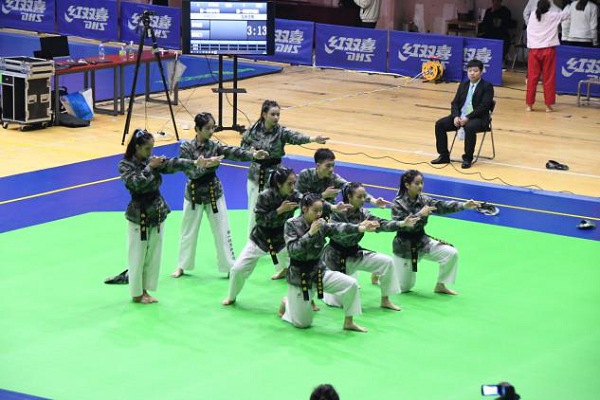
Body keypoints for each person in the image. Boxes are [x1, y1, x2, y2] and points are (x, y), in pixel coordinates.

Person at [171, 112, 269, 279]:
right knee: (188, 232)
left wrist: (253, 155)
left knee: (223, 231)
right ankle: (182, 265)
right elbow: (191, 172)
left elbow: (233, 152)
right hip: (193, 194)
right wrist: (207, 165)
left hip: (214, 193)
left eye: (213, 128)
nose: (211, 131)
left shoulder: (215, 146)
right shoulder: (186, 148)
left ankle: (229, 266)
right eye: (207, 128)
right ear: (197, 129)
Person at [118, 129, 205, 303]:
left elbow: (173, 164)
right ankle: (136, 294)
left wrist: (195, 162)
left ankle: (145, 291)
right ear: (137, 147)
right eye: (147, 148)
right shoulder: (125, 165)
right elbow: (136, 183)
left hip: (157, 212)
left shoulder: (150, 160)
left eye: (152, 148)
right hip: (139, 215)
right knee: (137, 256)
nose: (151, 152)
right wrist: (151, 167)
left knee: (153, 256)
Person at [279, 193, 379, 332]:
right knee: (303, 324)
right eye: (315, 210)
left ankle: (349, 322)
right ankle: (288, 303)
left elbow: (338, 228)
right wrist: (310, 233)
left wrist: (360, 227)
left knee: (351, 284)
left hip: (319, 271)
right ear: (304, 209)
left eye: (321, 211)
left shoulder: (321, 224)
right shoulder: (291, 224)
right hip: (299, 276)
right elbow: (293, 250)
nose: (319, 214)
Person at [321, 182, 420, 311]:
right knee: (337, 303)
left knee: (386, 262)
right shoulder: (337, 213)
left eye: (364, 196)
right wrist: (359, 227)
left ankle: (385, 300)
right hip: (335, 258)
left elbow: (381, 224)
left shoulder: (364, 213)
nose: (363, 200)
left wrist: (402, 224)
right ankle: (326, 286)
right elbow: (337, 232)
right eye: (359, 197)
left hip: (355, 253)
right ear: (349, 197)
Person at [241, 100, 328, 236]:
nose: (276, 117)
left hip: (277, 180)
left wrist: (313, 139)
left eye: (278, 114)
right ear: (264, 114)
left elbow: (296, 137)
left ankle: (280, 241)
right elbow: (243, 145)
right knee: (255, 213)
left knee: (279, 211)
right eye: (273, 114)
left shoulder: (281, 132)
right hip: (256, 178)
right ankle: (252, 242)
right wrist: (251, 152)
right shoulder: (252, 130)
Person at [391, 170, 480, 296]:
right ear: (407, 185)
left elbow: (442, 206)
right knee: (404, 287)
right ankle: (382, 271)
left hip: (422, 242)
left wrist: (464, 205)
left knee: (451, 253)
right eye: (417, 183)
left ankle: (440, 285)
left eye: (422, 183)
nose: (420, 186)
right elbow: (401, 225)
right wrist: (420, 214)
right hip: (404, 247)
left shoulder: (424, 200)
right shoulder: (397, 203)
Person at [222, 167, 301, 305]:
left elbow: (310, 202)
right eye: (289, 184)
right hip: (260, 239)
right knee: (237, 269)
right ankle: (231, 296)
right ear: (279, 184)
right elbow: (260, 220)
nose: (293, 187)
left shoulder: (294, 195)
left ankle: (307, 300)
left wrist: (332, 206)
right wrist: (279, 210)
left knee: (301, 269)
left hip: (282, 240)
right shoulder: (265, 196)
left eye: (294, 183)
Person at [431, 59, 494, 169]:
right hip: (460, 116)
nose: (472, 73)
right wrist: (456, 116)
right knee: (440, 124)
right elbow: (455, 103)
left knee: (469, 127)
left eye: (475, 71)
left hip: (478, 118)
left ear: (481, 72)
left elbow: (484, 107)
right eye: (470, 71)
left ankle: (467, 158)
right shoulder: (463, 85)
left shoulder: (487, 86)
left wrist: (468, 117)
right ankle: (444, 155)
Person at [296, 148, 391, 219]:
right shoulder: (305, 175)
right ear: (318, 165)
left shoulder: (334, 178)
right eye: (328, 166)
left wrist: (374, 201)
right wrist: (323, 195)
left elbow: (352, 188)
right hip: (308, 215)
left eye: (333, 166)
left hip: (326, 215)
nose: (331, 169)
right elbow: (299, 197)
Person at [526, 0, 570, 112]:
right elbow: (567, 14)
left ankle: (529, 105)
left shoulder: (533, 15)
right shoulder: (553, 15)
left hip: (534, 50)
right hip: (548, 50)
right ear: (549, 7)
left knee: (532, 78)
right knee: (549, 78)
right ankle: (548, 105)